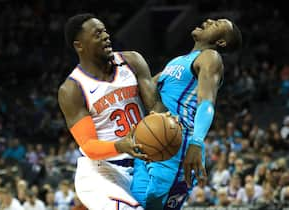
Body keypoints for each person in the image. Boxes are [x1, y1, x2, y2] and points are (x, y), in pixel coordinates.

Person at [131, 18, 242, 209]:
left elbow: (207, 102)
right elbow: (144, 88)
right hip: (148, 141)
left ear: (221, 42)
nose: (208, 20)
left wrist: (196, 142)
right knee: (136, 205)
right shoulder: (177, 61)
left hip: (176, 144)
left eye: (216, 24)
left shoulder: (210, 56)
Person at [58, 13, 166, 210]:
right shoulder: (73, 88)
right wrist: (120, 146)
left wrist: (165, 130)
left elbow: (155, 107)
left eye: (105, 31)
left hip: (140, 168)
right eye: (97, 34)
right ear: (79, 45)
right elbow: (89, 145)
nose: (106, 36)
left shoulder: (132, 61)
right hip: (101, 172)